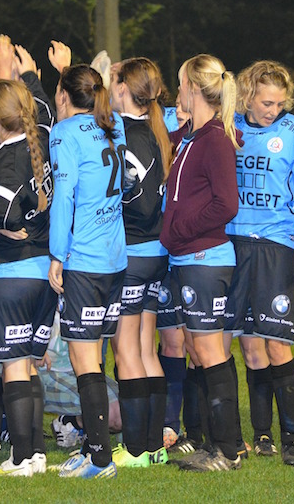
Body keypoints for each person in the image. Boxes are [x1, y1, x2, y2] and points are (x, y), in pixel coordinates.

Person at [222, 59, 294, 466]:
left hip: (276, 246)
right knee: (250, 348)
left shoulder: (292, 130)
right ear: (247, 95)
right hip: (232, 245)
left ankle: (291, 438)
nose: (273, 110)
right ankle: (262, 434)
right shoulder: (229, 125)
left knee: (278, 346)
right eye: (266, 102)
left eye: (279, 103)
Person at [0, 37, 57, 477]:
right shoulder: (40, 134)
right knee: (27, 365)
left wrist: (4, 225)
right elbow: (41, 104)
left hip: (10, 272)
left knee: (13, 368)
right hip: (44, 271)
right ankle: (37, 454)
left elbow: (1, 207)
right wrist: (22, 73)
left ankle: (22, 458)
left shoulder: (7, 159)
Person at [47, 42, 127, 480]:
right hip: (115, 259)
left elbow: (64, 200)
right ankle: (96, 450)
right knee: (94, 355)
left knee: (85, 361)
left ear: (63, 95)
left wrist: (57, 255)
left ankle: (99, 458)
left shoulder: (64, 134)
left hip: (85, 261)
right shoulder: (113, 127)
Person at [160, 53, 243, 472]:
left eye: (179, 85)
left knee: (210, 352)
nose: (176, 93)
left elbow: (227, 203)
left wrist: (181, 230)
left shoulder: (214, 140)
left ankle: (227, 451)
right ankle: (220, 444)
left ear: (194, 88)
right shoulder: (193, 136)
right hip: (189, 258)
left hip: (205, 258)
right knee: (199, 349)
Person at [107, 57, 173, 468]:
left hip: (131, 254)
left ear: (124, 91)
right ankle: (154, 446)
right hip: (156, 255)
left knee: (126, 350)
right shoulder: (155, 131)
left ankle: (135, 449)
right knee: (147, 349)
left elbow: (141, 201)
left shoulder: (125, 136)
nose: (109, 91)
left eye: (114, 84)